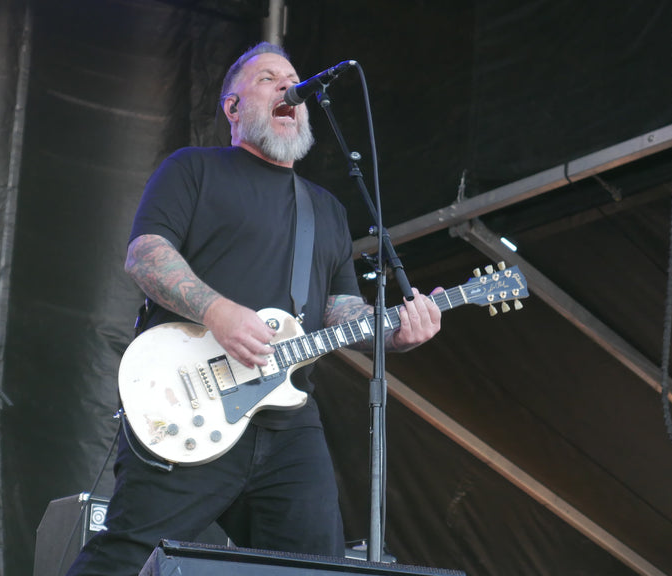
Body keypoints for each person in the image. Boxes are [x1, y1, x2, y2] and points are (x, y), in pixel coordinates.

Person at [65, 41, 442, 576]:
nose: (290, 87)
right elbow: (146, 256)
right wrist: (218, 311)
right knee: (128, 558)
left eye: (294, 80)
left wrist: (392, 332)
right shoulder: (194, 170)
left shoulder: (325, 209)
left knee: (315, 568)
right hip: (190, 400)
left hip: (288, 421)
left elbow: (339, 310)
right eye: (269, 78)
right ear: (232, 106)